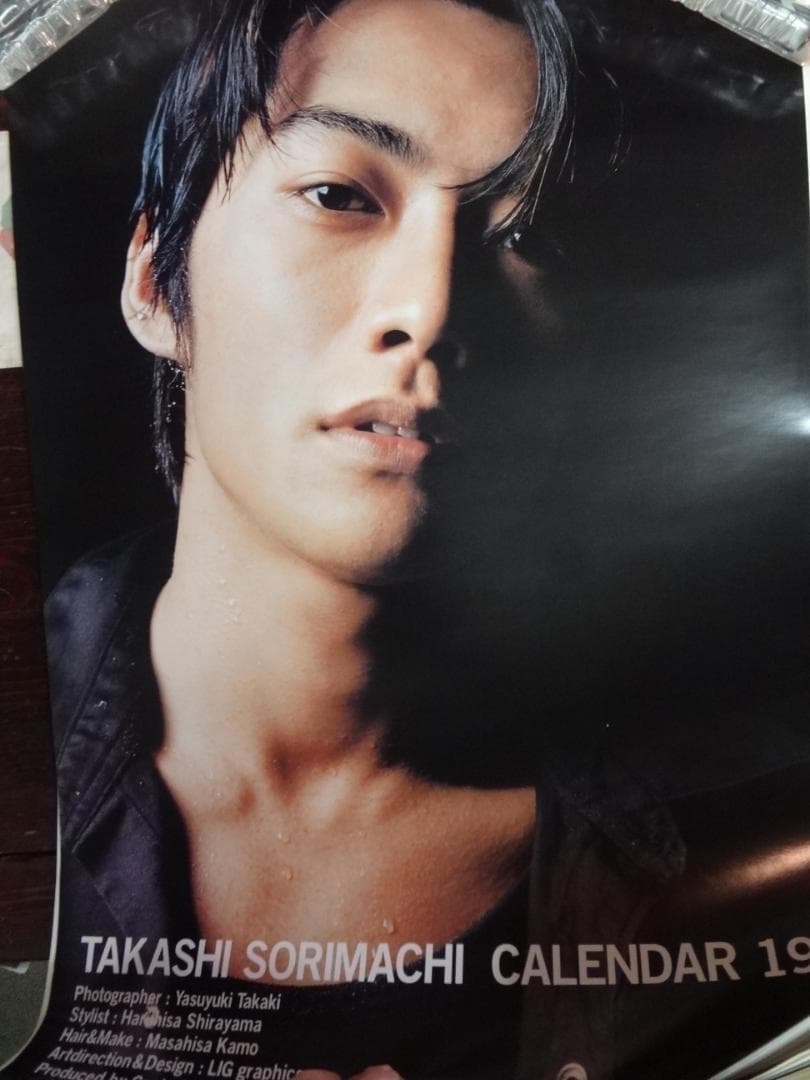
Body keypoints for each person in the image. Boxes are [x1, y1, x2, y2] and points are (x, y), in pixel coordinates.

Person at [15, 1, 810, 1078]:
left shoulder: (743, 811)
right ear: (157, 281)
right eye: (338, 196)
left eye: (527, 236)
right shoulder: (30, 737)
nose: (430, 309)